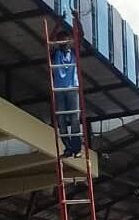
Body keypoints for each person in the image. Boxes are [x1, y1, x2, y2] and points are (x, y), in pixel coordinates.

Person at [51, 30, 82, 158]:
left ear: (69, 41)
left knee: (75, 120)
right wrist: (59, 22)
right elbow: (49, 41)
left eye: (66, 40)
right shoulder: (55, 53)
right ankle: (68, 148)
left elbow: (81, 37)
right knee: (61, 121)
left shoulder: (74, 53)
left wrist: (77, 19)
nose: (64, 42)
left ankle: (76, 148)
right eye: (61, 40)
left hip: (72, 89)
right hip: (59, 90)